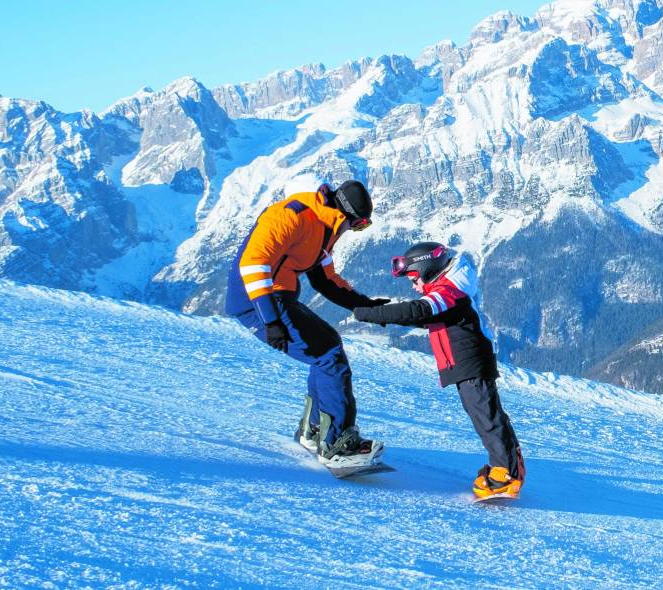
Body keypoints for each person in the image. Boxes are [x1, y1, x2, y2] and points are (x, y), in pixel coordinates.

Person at [225, 180, 388, 468]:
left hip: (278, 297)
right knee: (328, 356)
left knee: (328, 347)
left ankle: (314, 431)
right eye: (358, 225)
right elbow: (252, 264)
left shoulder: (325, 226)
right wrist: (271, 321)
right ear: (348, 215)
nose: (354, 231)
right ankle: (336, 443)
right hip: (258, 300)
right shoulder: (291, 215)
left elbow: (324, 278)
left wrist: (364, 305)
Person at [352, 242, 525, 498]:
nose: (414, 286)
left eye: (414, 279)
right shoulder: (450, 288)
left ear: (427, 269)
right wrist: (386, 317)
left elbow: (420, 310)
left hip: (470, 361)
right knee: (484, 413)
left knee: (485, 415)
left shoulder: (450, 290)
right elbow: (432, 318)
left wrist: (372, 314)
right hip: (466, 361)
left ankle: (505, 473)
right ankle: (508, 466)